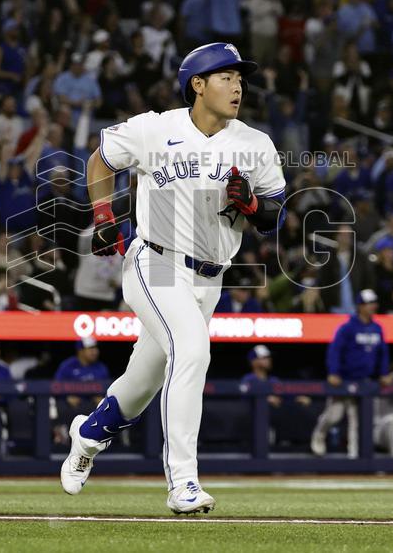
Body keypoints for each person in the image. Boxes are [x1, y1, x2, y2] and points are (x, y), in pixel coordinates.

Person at [60, 43, 286, 514]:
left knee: (142, 382)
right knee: (192, 351)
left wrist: (252, 206)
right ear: (197, 84)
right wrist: (103, 215)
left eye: (240, 77)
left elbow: (276, 216)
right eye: (225, 76)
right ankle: (183, 482)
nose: (238, 85)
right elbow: (101, 159)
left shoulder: (254, 144)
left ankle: (88, 433)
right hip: (155, 263)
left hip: (211, 280)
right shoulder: (156, 128)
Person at [310, 289, 393, 458]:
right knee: (335, 415)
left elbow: (382, 354)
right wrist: (333, 372)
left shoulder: (377, 328)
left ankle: (354, 457)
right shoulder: (347, 327)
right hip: (344, 380)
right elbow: (335, 350)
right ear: (360, 306)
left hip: (364, 381)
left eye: (374, 303)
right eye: (368, 303)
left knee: (357, 421)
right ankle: (319, 435)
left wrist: (383, 373)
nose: (372, 306)